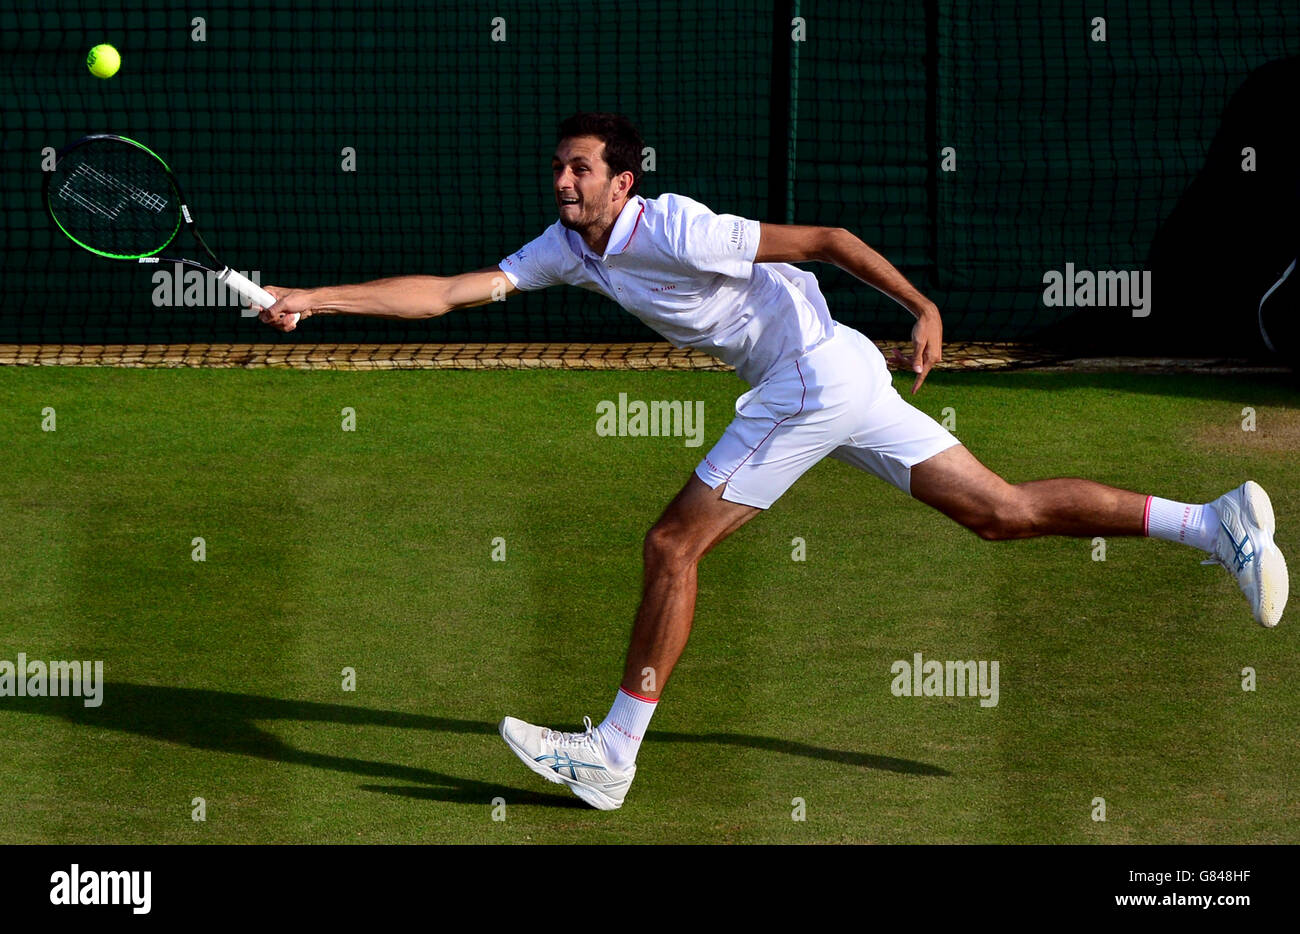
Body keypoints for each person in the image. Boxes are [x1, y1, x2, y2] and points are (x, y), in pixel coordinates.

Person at [256, 112, 1288, 811]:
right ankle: (1213, 521)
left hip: (809, 377)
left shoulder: (680, 228)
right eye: (558, 167)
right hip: (835, 376)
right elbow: (447, 289)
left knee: (671, 543)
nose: (561, 179)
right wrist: (316, 297)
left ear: (623, 180)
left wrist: (921, 307)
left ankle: (610, 756)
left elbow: (828, 240)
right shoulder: (569, 245)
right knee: (1000, 511)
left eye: (579, 169)